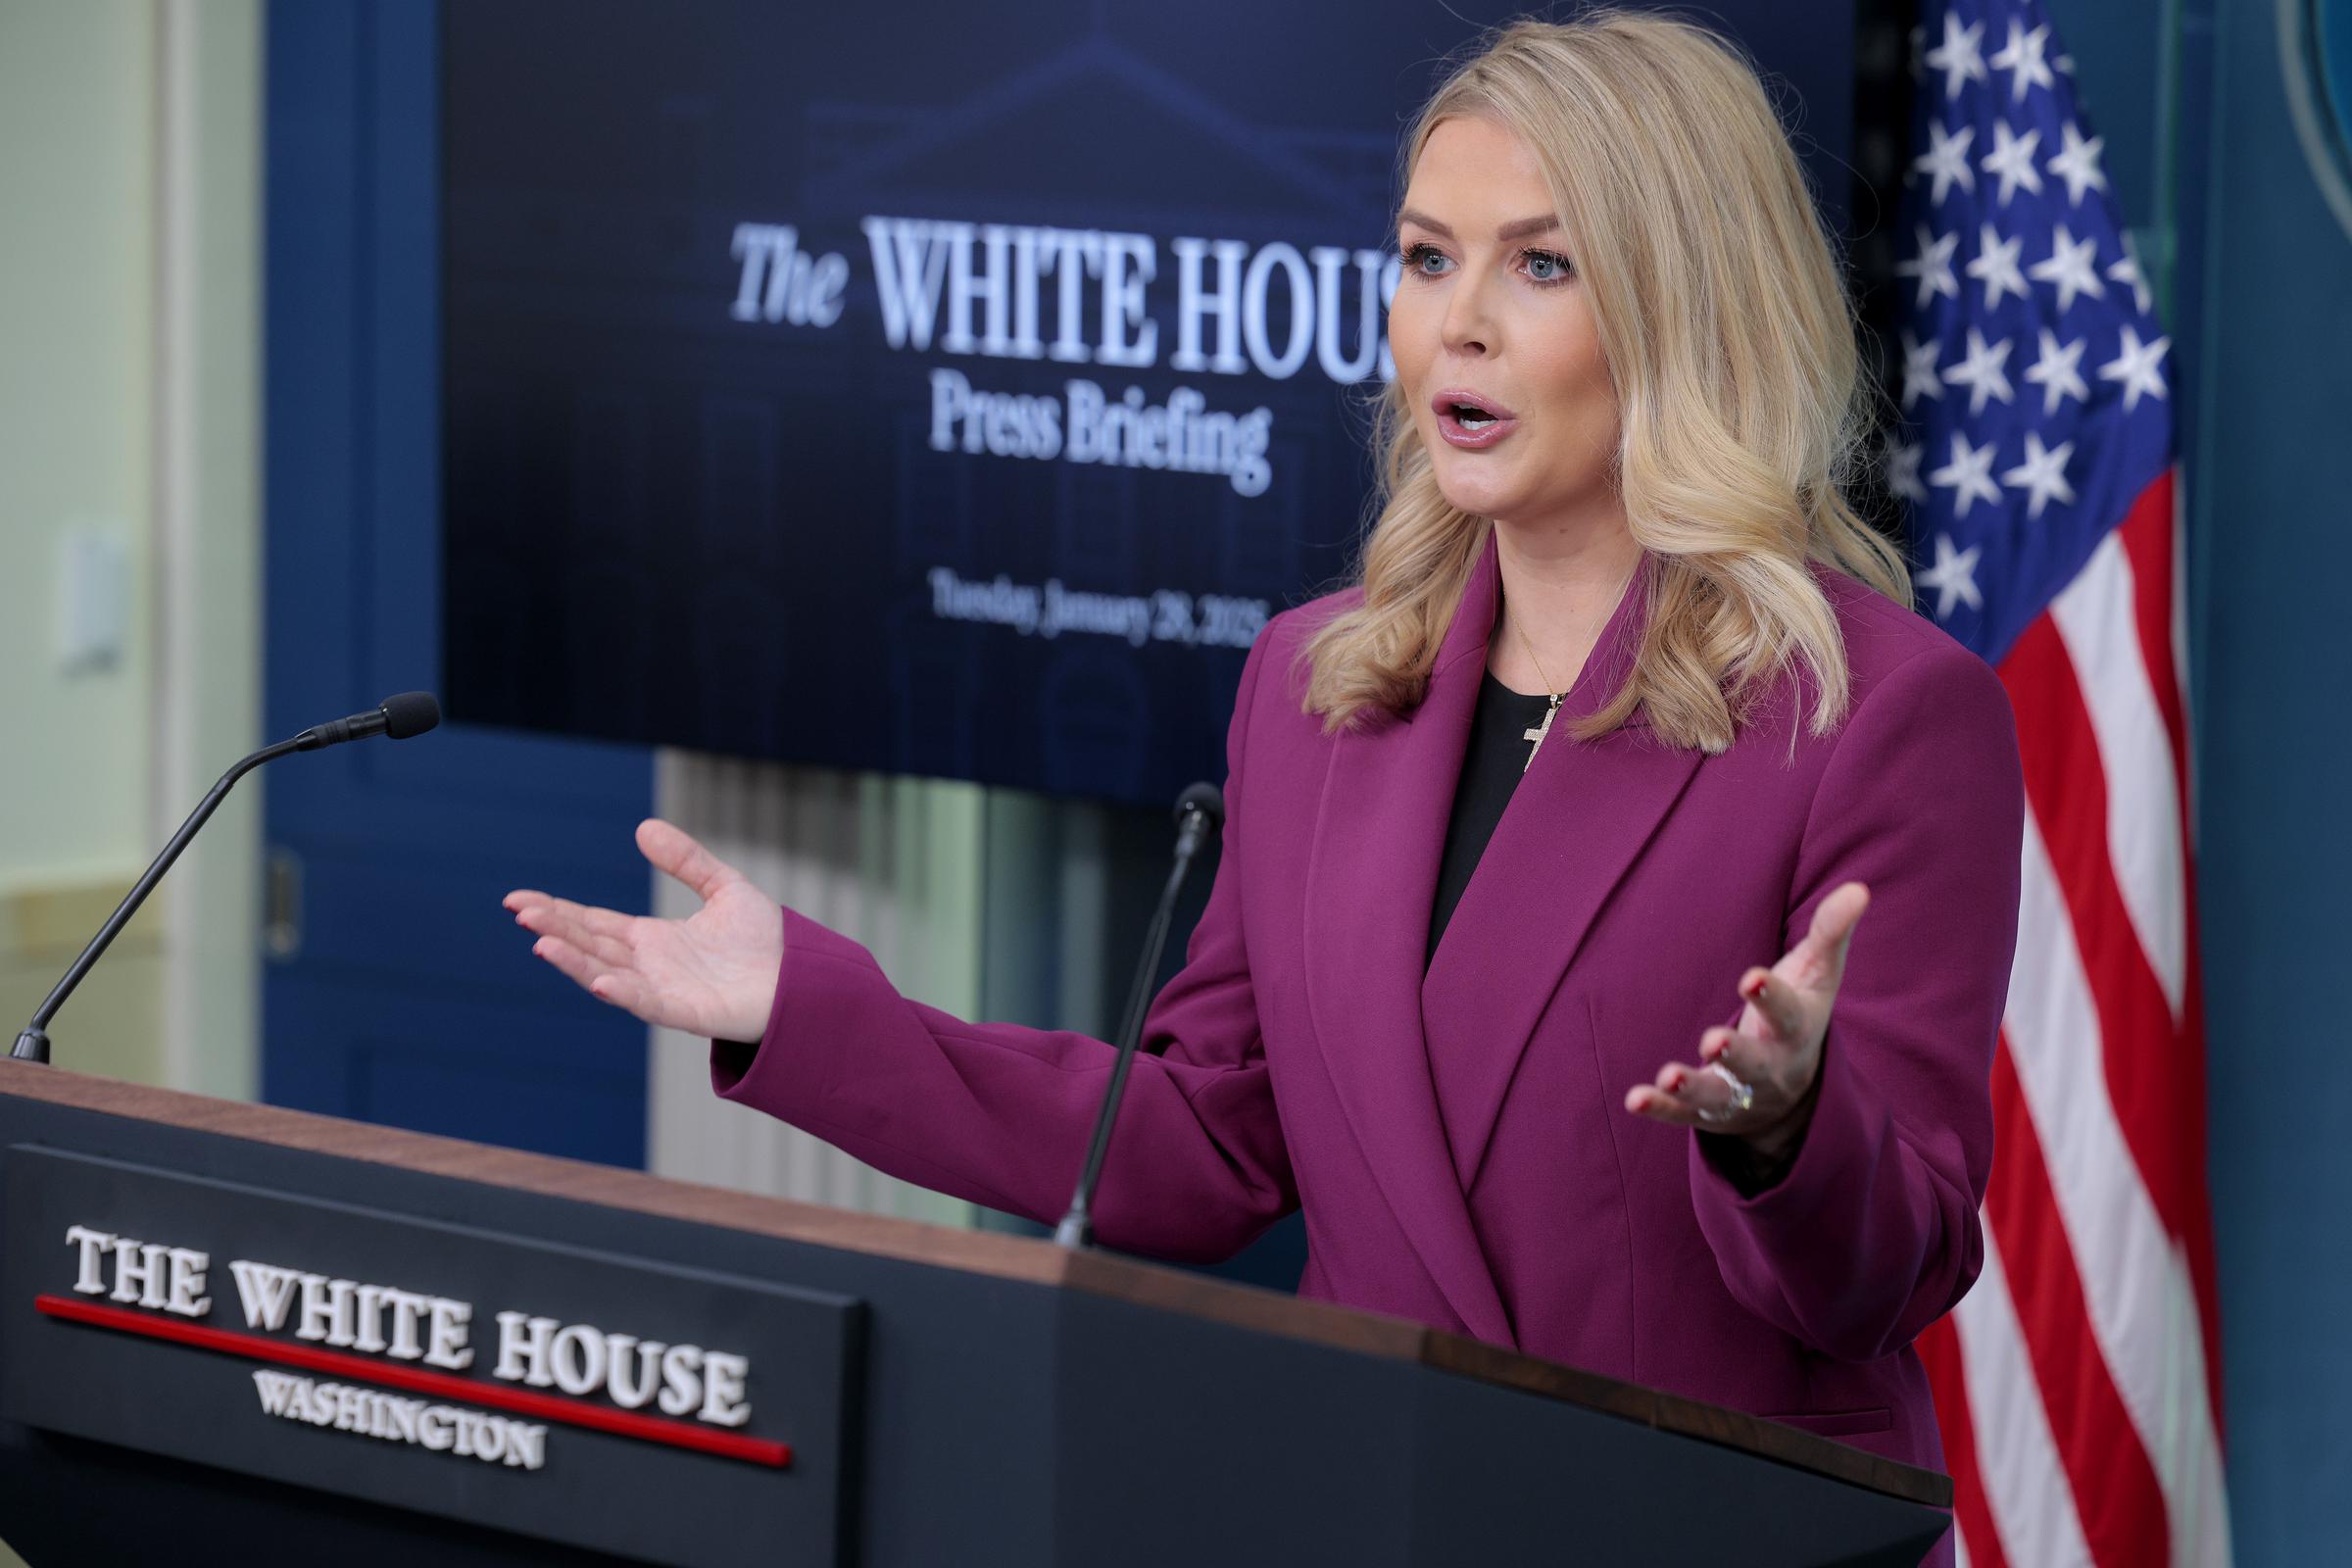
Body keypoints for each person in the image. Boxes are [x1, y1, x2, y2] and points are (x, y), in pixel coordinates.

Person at [504, 7, 2022, 1536]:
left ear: (1692, 311)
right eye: (1429, 258)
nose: (1458, 326)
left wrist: (1783, 1131)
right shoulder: (1320, 683)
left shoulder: (1878, 711)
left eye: (1540, 266)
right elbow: (1208, 1145)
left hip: (1685, 1526)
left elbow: (1899, 1267)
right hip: (1369, 1503)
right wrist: (806, 1011)